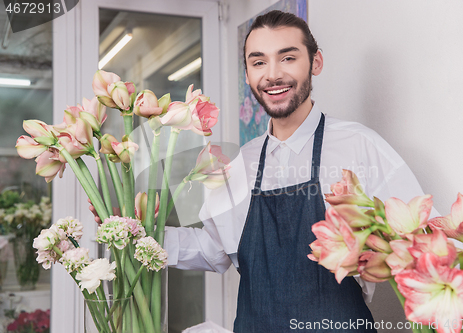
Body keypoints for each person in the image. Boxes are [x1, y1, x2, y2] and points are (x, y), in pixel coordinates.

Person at [91, 10, 430, 332]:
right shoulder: (238, 164)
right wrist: (135, 232)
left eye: (288, 57)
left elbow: (423, 238)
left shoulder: (359, 146)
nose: (272, 74)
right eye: (258, 62)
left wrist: (380, 255)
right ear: (249, 74)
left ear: (316, 62)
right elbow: (214, 249)